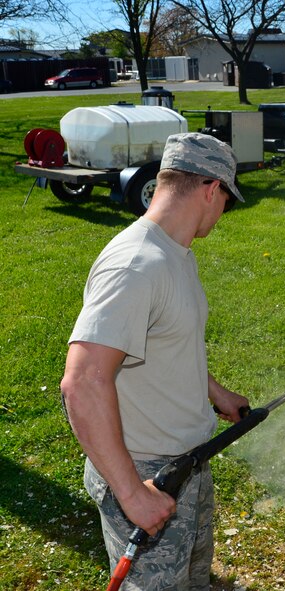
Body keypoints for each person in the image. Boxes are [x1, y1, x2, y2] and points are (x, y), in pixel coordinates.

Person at [60, 132, 250, 590]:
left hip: (187, 461)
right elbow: (82, 382)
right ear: (210, 189)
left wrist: (214, 390)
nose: (224, 211)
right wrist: (130, 493)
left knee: (194, 578)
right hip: (146, 473)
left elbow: (165, 340)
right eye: (227, 198)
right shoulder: (136, 265)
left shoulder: (176, 254)